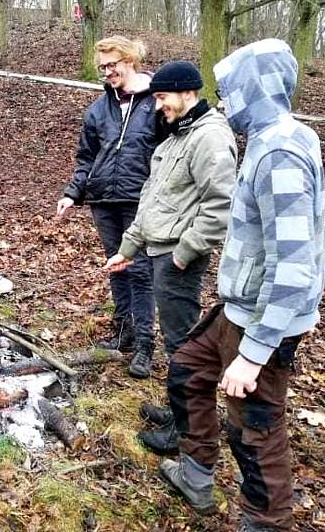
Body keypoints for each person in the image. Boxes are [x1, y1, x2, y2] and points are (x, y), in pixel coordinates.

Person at [157, 39, 325, 531]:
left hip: (263, 321)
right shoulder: (268, 139)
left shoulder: (281, 153)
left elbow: (295, 268)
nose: (225, 100)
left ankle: (263, 523)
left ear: (257, 88)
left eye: (232, 89)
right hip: (236, 308)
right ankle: (195, 476)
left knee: (255, 429)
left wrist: (253, 354)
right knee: (187, 370)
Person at [102, 61, 237, 452]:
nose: (158, 105)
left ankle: (188, 429)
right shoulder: (178, 136)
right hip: (159, 252)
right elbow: (153, 202)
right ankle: (180, 411)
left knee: (183, 345)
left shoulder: (209, 137)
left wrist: (183, 254)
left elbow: (220, 205)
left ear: (187, 93)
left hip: (177, 259)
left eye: (162, 97)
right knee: (177, 343)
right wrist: (127, 249)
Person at [56, 36, 159, 376]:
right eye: (102, 68)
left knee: (140, 271)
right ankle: (123, 333)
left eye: (111, 65)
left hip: (140, 200)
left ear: (130, 60)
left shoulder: (157, 103)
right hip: (103, 199)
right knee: (116, 269)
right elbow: (87, 158)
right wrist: (73, 193)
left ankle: (145, 344)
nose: (107, 72)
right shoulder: (98, 110)